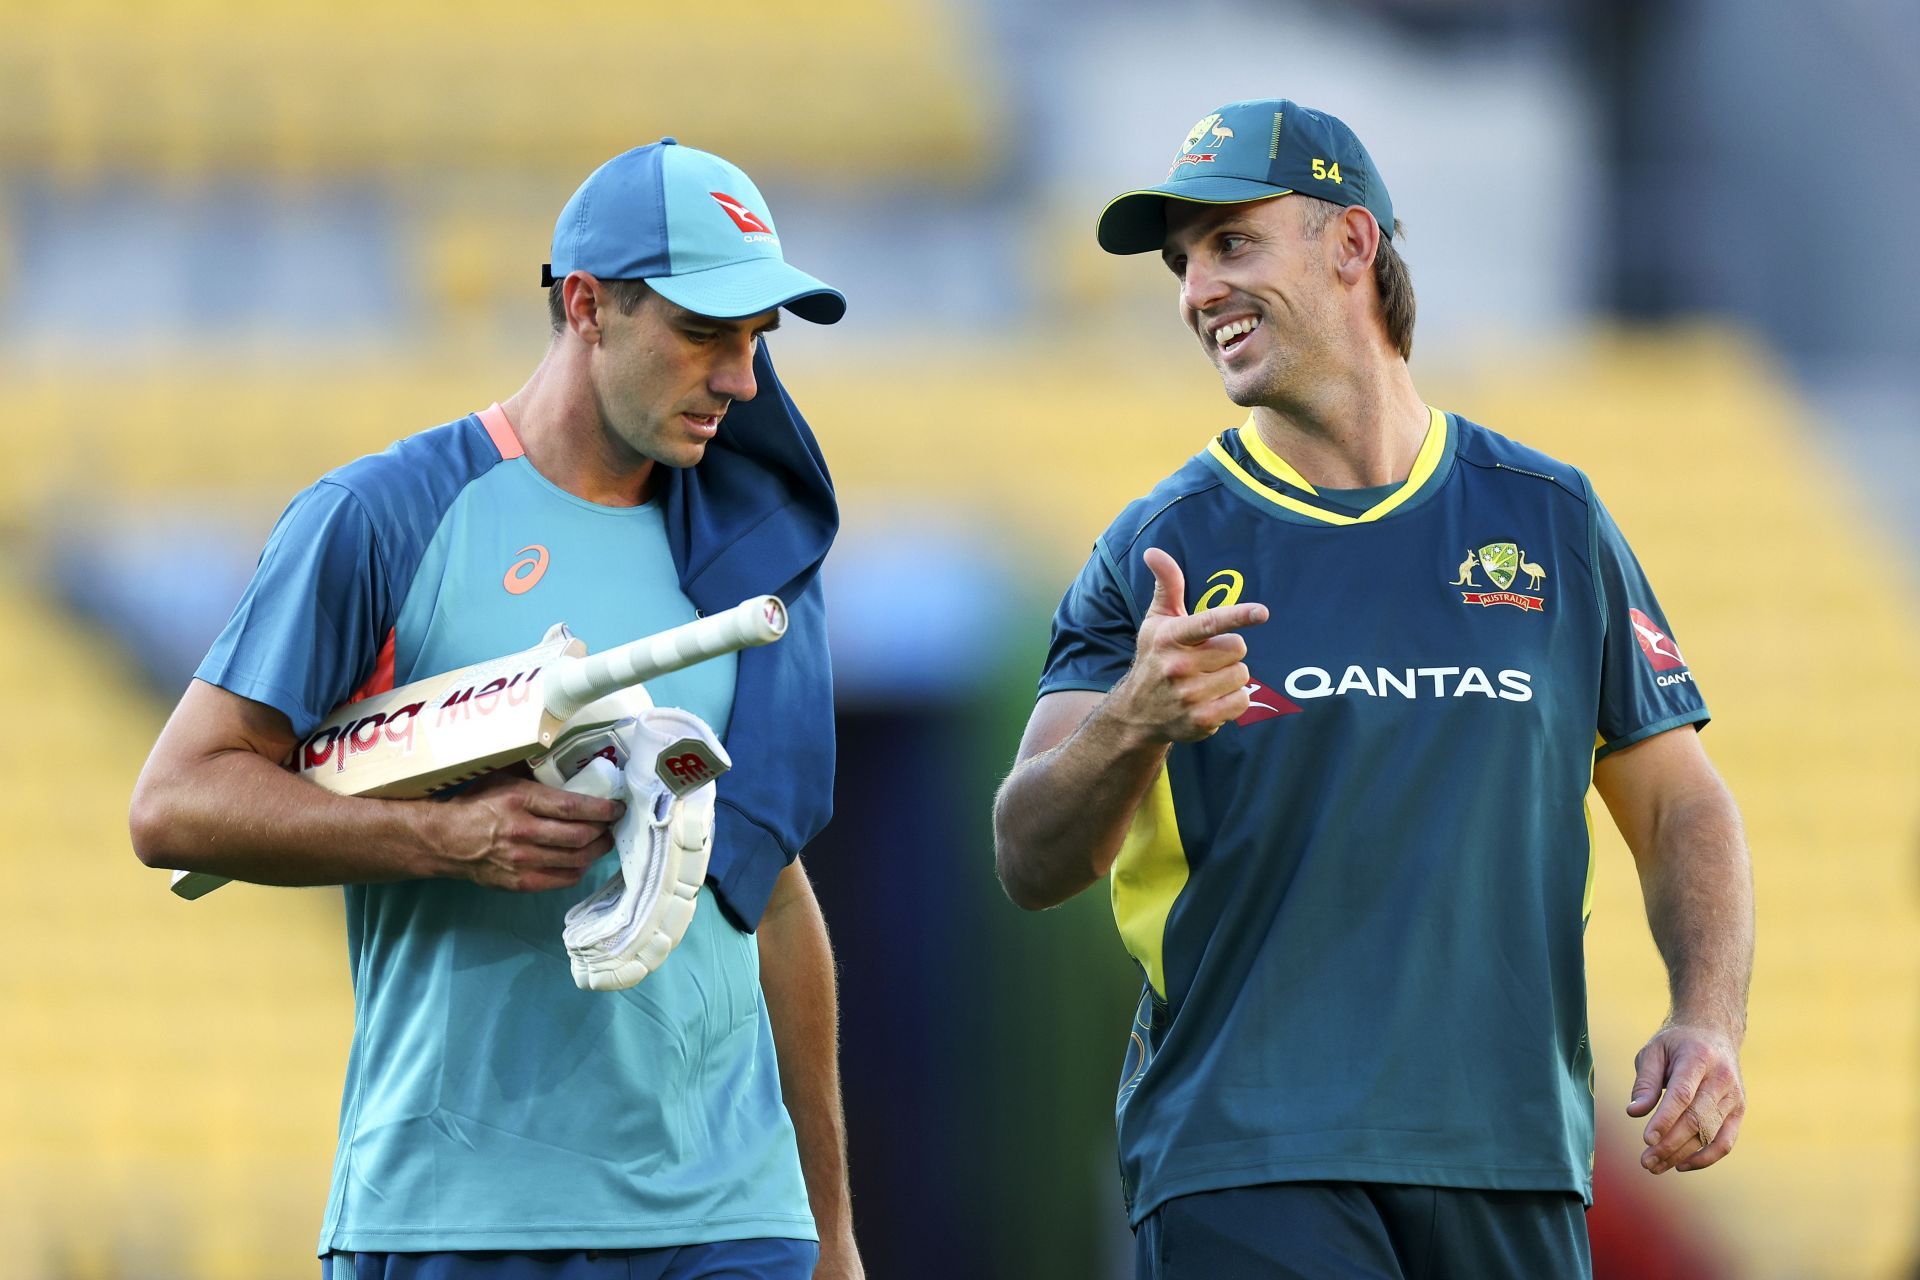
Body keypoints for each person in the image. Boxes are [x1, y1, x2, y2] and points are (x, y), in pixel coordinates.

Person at [992, 98, 1753, 1279]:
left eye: (1232, 243)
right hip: (1245, 1155)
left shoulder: (1550, 518)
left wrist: (1708, 1015)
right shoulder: (1157, 546)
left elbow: (1682, 804)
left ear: (1352, 244)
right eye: (1184, 263)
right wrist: (1133, 723)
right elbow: (1028, 853)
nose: (1198, 290)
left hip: (1515, 1159)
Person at [130, 139, 863, 1280]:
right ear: (586, 306)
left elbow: (768, 888)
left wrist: (831, 1232)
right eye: (705, 333)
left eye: (757, 339)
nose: (743, 380)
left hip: (729, 1218)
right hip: (456, 1215)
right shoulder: (386, 515)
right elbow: (175, 802)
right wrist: (444, 836)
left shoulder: (752, 546)